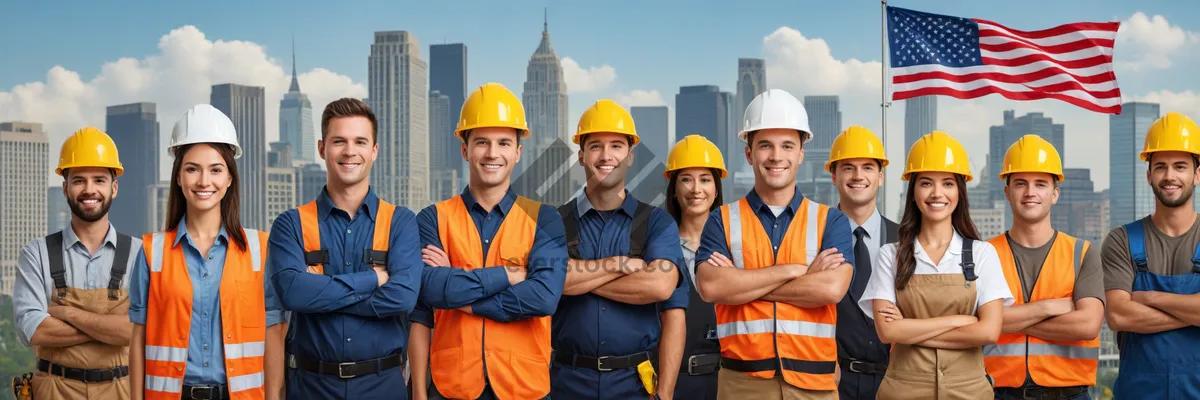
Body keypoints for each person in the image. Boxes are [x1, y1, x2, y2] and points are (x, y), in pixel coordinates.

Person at [408, 83, 566, 400]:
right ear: (465, 149)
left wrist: (459, 297)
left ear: (518, 153)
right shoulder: (431, 218)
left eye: (504, 143)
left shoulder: (544, 219)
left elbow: (543, 298)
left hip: (524, 388)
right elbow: (428, 291)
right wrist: (509, 275)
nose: (492, 153)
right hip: (451, 387)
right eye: (482, 142)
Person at [695, 89, 855, 400]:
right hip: (742, 383)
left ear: (800, 154)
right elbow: (711, 288)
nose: (776, 156)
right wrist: (796, 270)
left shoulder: (831, 221)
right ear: (749, 154)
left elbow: (830, 290)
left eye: (787, 146)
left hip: (814, 386)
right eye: (765, 145)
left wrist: (742, 285)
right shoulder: (721, 220)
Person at [129, 104, 285, 399]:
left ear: (229, 178)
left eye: (216, 170)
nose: (204, 181)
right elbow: (137, 341)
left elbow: (274, 335)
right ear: (178, 177)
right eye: (192, 169)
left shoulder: (260, 250)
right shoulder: (152, 252)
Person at [268, 98, 422, 399]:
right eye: (339, 141)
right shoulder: (290, 224)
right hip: (311, 388)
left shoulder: (400, 222)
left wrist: (319, 295)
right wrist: (373, 280)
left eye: (360, 142)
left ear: (374, 151)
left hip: (383, 387)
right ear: (322, 148)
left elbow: (403, 298)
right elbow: (292, 293)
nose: (350, 151)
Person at [859, 131, 1014, 400]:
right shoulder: (890, 255)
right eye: (926, 183)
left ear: (959, 191)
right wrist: (960, 321)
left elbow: (989, 331)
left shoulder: (982, 254)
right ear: (914, 191)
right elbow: (888, 331)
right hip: (903, 392)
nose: (937, 193)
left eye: (948, 184)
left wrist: (910, 329)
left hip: (970, 393)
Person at [551, 99, 686, 400]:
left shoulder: (657, 223)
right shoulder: (552, 222)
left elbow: (661, 286)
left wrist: (577, 278)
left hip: (636, 385)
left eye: (616, 146)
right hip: (566, 384)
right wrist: (616, 264)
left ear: (630, 156)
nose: (606, 155)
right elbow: (548, 281)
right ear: (581, 155)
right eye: (596, 146)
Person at [13, 127, 141, 399]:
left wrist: (67, 313)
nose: (89, 189)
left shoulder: (140, 255)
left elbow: (137, 330)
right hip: (53, 390)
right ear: (65, 188)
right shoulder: (36, 254)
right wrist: (110, 328)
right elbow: (33, 329)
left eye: (99, 180)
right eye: (79, 180)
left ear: (114, 188)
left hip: (121, 390)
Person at [983, 134, 1104, 400]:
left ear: (1055, 194)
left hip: (1069, 393)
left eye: (1040, 184)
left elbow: (1087, 325)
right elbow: (976, 322)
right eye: (1020, 184)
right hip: (998, 392)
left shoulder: (1081, 253)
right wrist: (1047, 308)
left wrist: (1006, 320)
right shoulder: (984, 254)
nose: (1030, 193)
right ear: (1007, 192)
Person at [1102, 112, 1200, 400]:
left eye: (1180, 166)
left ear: (1197, 173)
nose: (1170, 176)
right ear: (1149, 175)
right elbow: (1119, 314)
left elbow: (1131, 308)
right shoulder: (1121, 240)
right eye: (1161, 167)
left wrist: (1148, 297)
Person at [825, 126, 898, 399]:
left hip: (896, 380)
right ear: (834, 176)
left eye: (867, 167)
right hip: (832, 380)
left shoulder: (907, 240)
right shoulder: (813, 238)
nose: (858, 176)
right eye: (848, 168)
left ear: (880, 177)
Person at [663, 134, 728, 400]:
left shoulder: (737, 247)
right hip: (673, 380)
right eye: (686, 179)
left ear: (716, 188)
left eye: (705, 179)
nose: (696, 189)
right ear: (675, 190)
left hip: (728, 381)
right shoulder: (657, 248)